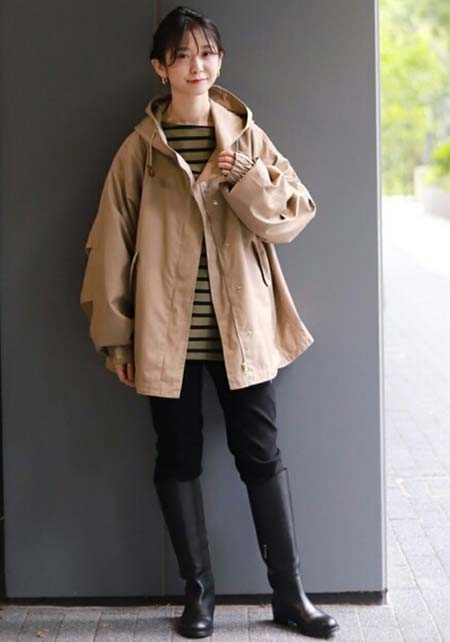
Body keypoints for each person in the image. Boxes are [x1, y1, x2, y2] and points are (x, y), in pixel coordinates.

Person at [80, 5, 340, 639]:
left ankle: (289, 596)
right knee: (177, 458)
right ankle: (199, 597)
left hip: (241, 332)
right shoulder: (141, 150)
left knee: (261, 456)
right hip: (166, 337)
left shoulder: (245, 137)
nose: (197, 66)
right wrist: (116, 339)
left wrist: (244, 177)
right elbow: (109, 244)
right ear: (160, 67)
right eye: (183, 55)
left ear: (219, 60)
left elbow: (294, 214)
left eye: (207, 53)